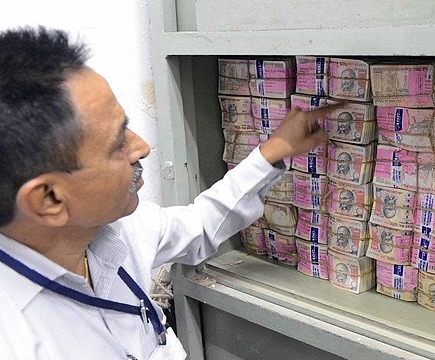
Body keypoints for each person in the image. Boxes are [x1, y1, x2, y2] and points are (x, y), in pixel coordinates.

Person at [0, 26, 339, 360]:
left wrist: (274, 151)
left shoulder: (111, 230)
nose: (143, 147)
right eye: (118, 142)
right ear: (49, 199)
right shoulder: (16, 338)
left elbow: (200, 223)